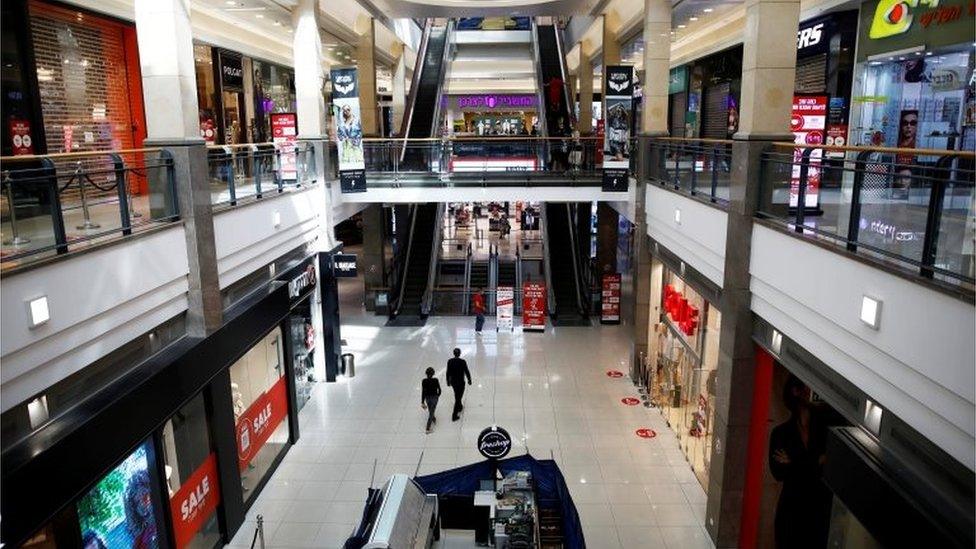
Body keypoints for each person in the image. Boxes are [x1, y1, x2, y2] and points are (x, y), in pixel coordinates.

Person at [768, 375, 832, 549]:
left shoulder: (825, 432)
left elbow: (829, 468)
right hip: (791, 512)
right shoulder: (781, 433)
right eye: (808, 387)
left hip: (818, 513)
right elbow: (778, 472)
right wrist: (814, 462)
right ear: (796, 392)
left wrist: (794, 462)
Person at [446, 348, 472, 421]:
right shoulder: (462, 362)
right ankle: (454, 415)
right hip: (461, 382)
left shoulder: (450, 361)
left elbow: (448, 372)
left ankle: (460, 406)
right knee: (458, 398)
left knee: (457, 395)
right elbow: (466, 371)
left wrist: (447, 381)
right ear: (460, 354)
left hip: (453, 382)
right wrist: (469, 380)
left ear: (453, 353)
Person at [421, 367, 441, 433]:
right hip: (434, 397)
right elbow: (439, 389)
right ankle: (427, 428)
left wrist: (422, 401)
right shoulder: (435, 380)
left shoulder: (424, 381)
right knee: (431, 412)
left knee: (430, 409)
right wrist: (438, 395)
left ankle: (433, 418)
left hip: (427, 398)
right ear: (433, 373)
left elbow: (423, 391)